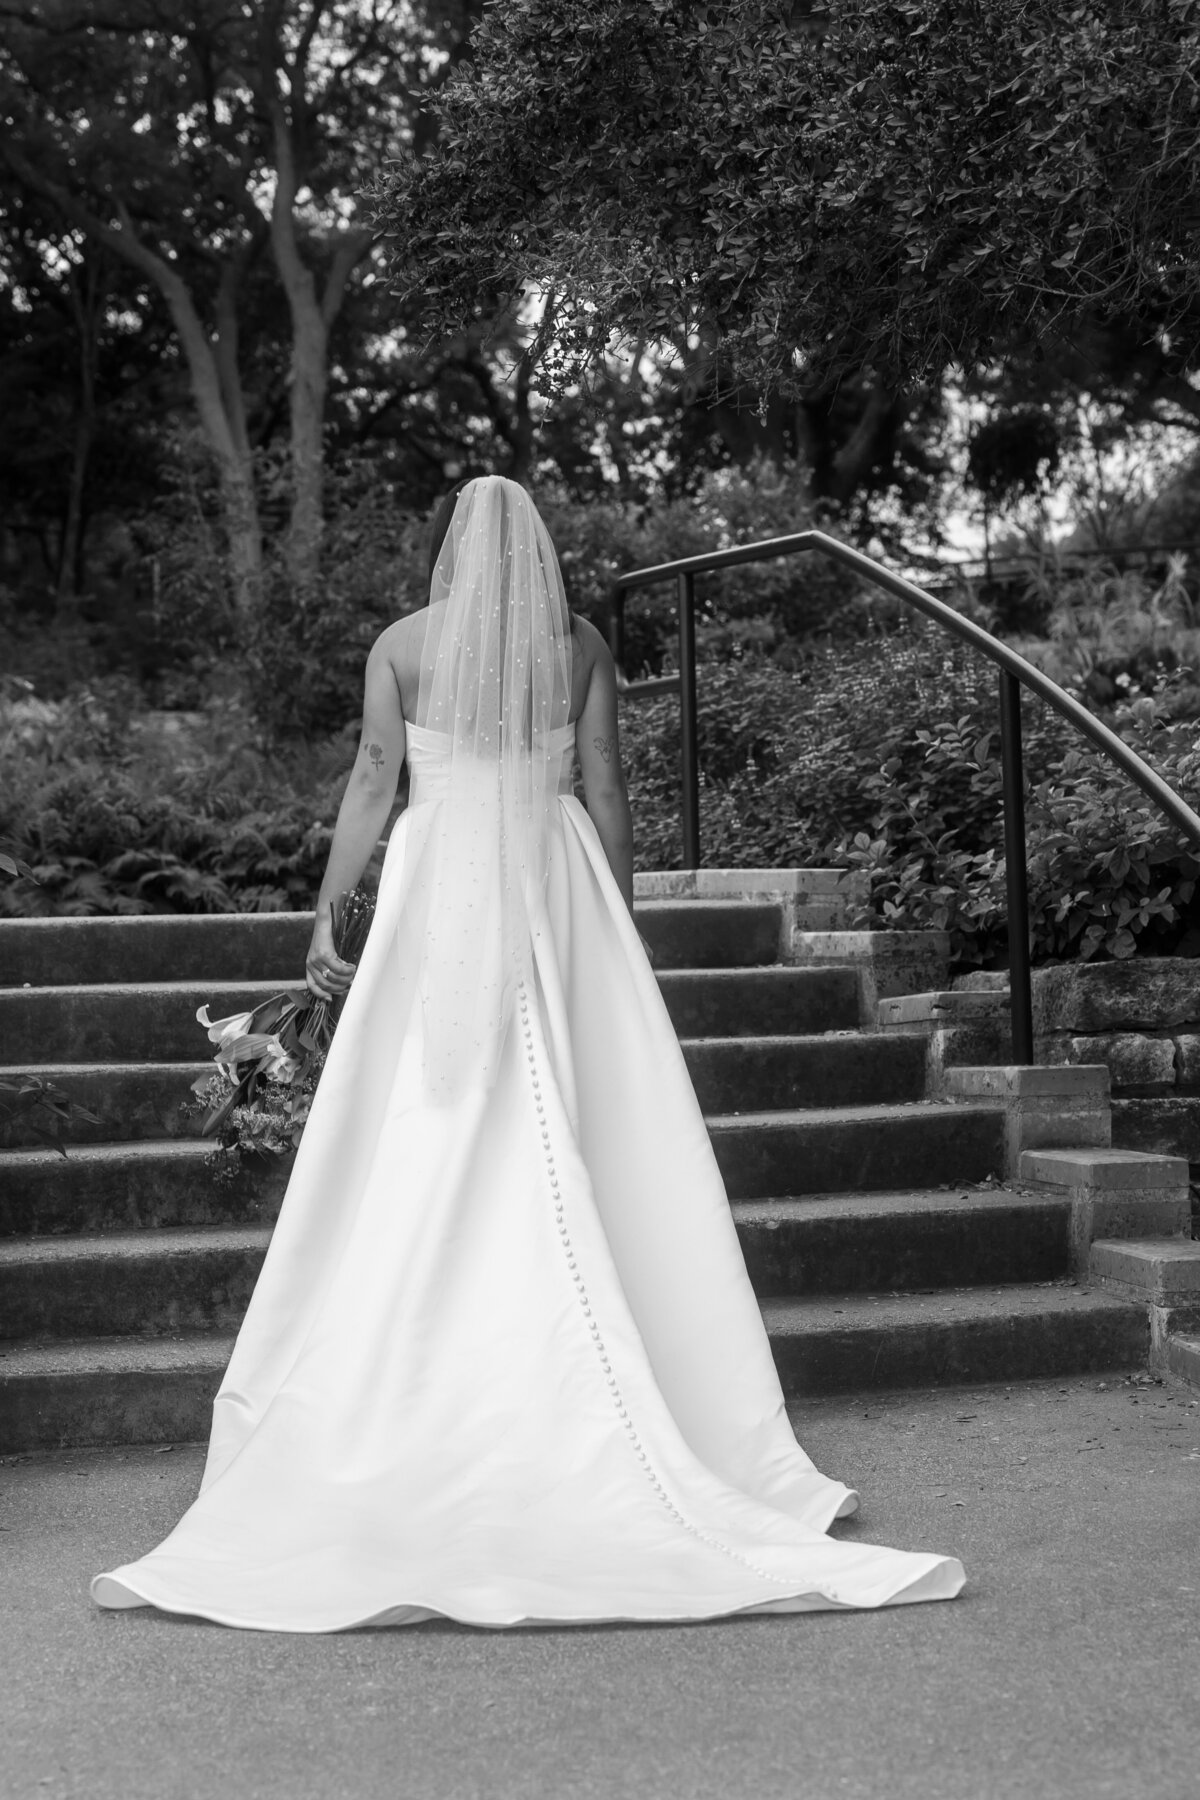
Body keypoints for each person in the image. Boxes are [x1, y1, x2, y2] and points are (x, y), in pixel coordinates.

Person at [91, 476, 964, 1630]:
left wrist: (326, 913)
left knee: (427, 1114)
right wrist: (616, 916)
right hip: (550, 879)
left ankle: (409, 1379)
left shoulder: (402, 644)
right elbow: (605, 784)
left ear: (453, 550)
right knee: (578, 1104)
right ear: (538, 554)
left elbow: (371, 780)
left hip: (435, 875)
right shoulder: (581, 641)